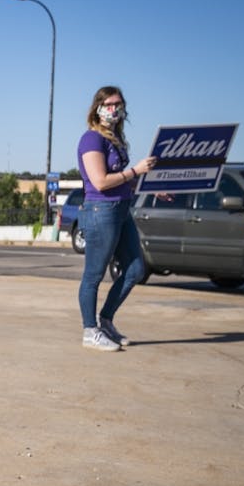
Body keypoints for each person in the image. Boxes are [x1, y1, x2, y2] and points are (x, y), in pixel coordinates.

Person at [76, 86, 156, 351]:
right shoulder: (92, 139)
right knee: (94, 275)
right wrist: (135, 171)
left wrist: (151, 186)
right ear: (97, 108)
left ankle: (106, 321)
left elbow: (122, 182)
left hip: (121, 209)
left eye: (118, 104)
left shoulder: (115, 139)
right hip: (101, 211)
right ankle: (90, 330)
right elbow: (100, 181)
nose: (114, 109)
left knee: (135, 271)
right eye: (109, 104)